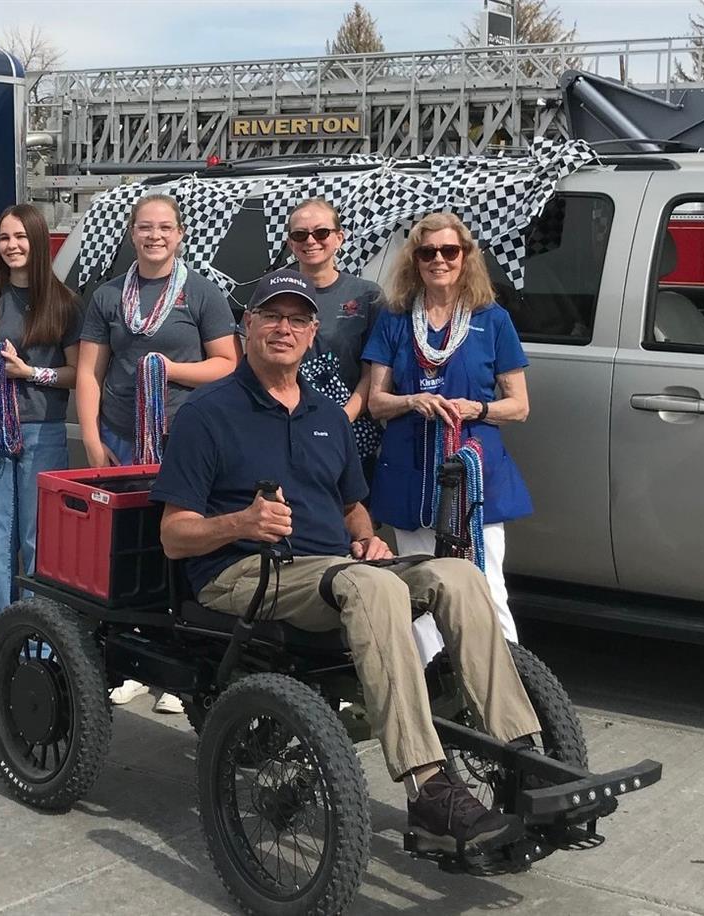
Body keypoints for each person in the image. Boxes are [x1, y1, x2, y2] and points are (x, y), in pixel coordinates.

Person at [152, 267, 541, 852]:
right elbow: (173, 536)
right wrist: (243, 523)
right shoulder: (207, 414)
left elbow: (352, 506)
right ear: (248, 326)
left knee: (459, 574)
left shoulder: (329, 416)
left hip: (331, 569)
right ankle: (429, 791)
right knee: (372, 588)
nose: (284, 329)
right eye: (272, 317)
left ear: (313, 334)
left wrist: (366, 537)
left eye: (298, 319)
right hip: (240, 574)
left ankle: (521, 753)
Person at [76, 193, 238, 714]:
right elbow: (89, 372)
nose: (155, 236)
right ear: (131, 233)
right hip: (123, 438)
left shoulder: (202, 294)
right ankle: (133, 661)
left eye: (165, 227)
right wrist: (93, 439)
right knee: (130, 549)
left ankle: (181, 662)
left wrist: (168, 370)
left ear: (180, 233)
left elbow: (228, 364)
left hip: (185, 442)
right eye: (145, 227)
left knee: (185, 546)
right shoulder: (107, 297)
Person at [362, 212, 531, 648]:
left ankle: (511, 692)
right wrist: (410, 401)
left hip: (472, 471)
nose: (439, 260)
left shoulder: (491, 319)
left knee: (486, 584)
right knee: (418, 586)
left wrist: (479, 406)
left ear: (466, 257)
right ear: (414, 260)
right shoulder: (395, 319)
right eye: (428, 252)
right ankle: (432, 693)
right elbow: (376, 400)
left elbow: (519, 407)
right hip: (411, 469)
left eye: (449, 251)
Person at [0, 204, 81, 643]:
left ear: (37, 242)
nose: (12, 246)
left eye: (21, 238)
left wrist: (29, 373)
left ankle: (40, 640)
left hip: (42, 431)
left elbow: (76, 373)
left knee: (37, 542)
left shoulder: (65, 303)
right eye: (5, 238)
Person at [282, 198, 386, 479]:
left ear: (339, 238)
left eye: (321, 232)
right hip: (285, 427)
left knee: (352, 518)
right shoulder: (277, 289)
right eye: (300, 234)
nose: (311, 241)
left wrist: (341, 419)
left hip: (349, 429)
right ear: (291, 243)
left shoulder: (367, 295)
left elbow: (374, 373)